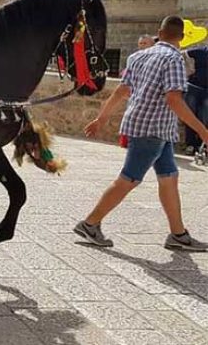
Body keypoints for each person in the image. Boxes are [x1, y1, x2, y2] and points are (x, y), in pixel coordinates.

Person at [75, 16, 208, 251]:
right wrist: (203, 131)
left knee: (169, 177)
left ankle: (178, 234)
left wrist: (101, 119)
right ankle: (90, 223)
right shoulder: (174, 59)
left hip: (146, 125)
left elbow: (121, 92)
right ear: (182, 37)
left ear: (160, 31)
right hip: (154, 128)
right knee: (129, 178)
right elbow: (174, 99)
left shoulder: (138, 56)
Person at [183, 44, 208, 154]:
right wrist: (189, 70)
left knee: (205, 118)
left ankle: (202, 145)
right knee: (190, 116)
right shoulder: (201, 50)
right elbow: (182, 54)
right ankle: (191, 144)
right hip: (194, 87)